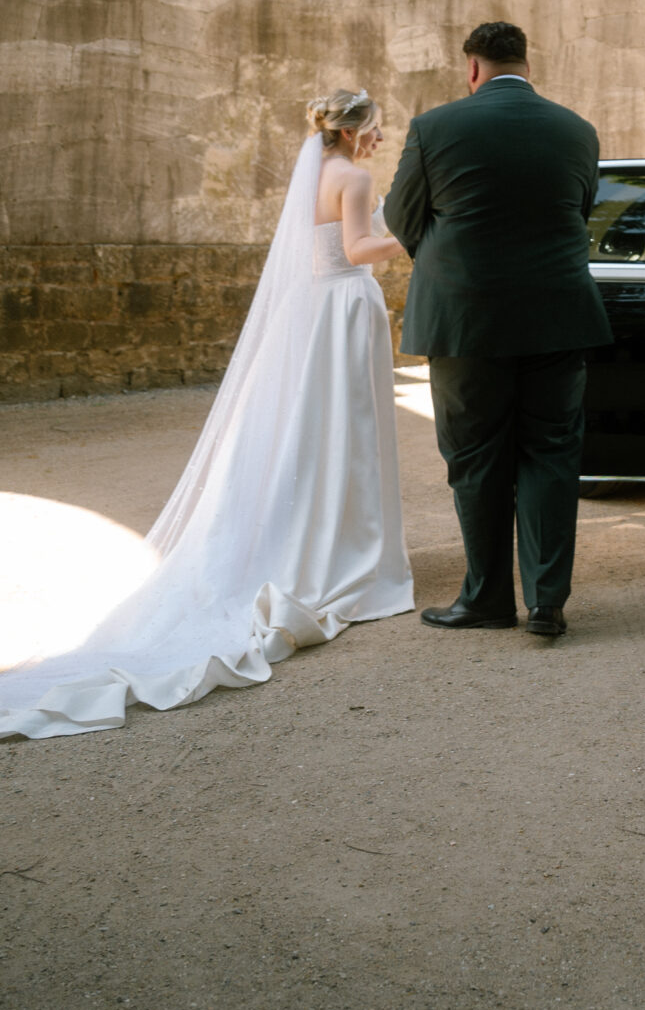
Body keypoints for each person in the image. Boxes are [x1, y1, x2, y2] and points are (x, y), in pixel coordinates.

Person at [0, 90, 413, 741]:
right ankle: (340, 548)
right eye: (378, 129)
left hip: (308, 315)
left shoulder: (312, 172)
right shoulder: (354, 177)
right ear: (354, 130)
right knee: (346, 435)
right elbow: (359, 249)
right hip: (341, 310)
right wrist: (418, 233)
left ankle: (308, 533)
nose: (381, 141)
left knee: (308, 434)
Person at [386, 22, 611, 639]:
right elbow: (579, 208)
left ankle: (485, 598)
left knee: (477, 457)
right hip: (559, 314)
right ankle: (547, 604)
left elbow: (402, 217)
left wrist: (453, 267)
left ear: (472, 68)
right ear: (527, 64)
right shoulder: (578, 130)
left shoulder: (435, 128)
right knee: (552, 455)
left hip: (465, 320)